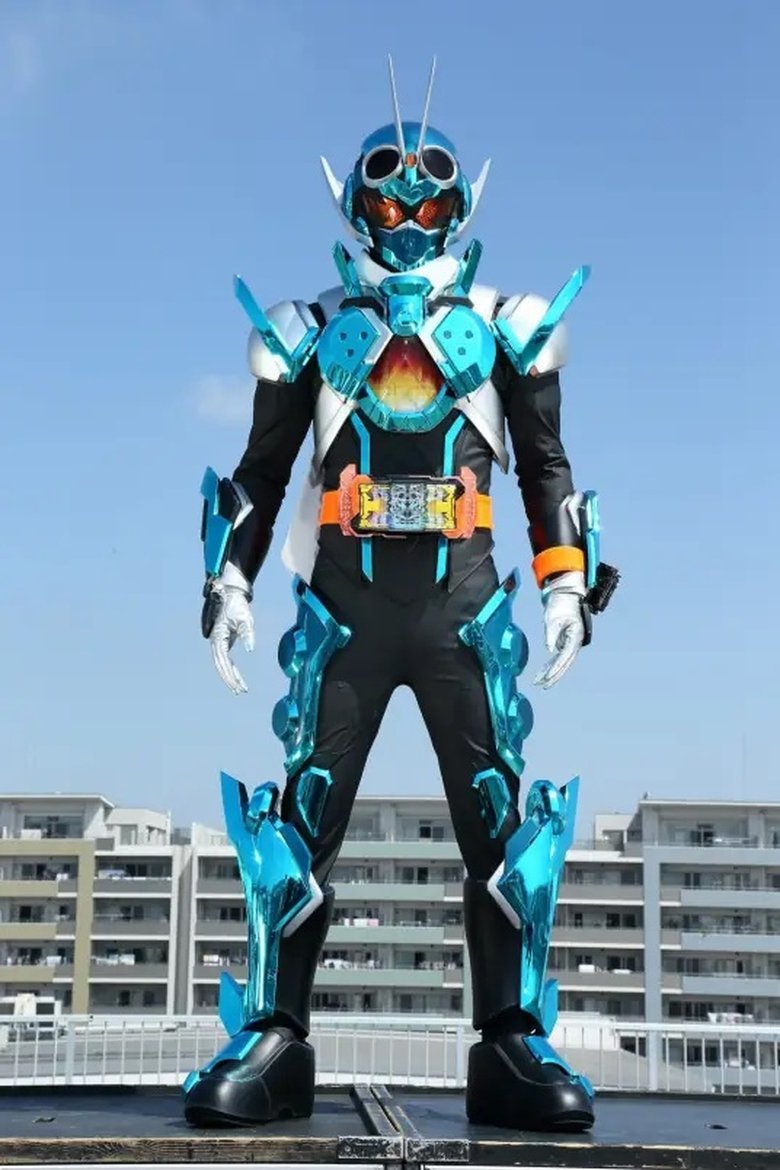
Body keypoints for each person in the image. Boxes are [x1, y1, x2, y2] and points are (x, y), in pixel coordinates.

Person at [184, 59, 618, 1132]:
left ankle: (511, 1038)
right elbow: (262, 469)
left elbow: (547, 466)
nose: (409, 219)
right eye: (390, 202)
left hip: (465, 607)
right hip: (344, 609)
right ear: (357, 205)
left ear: (460, 209)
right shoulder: (306, 327)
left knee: (499, 822)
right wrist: (229, 579)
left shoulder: (508, 323)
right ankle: (276, 1035)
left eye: (428, 203)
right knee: (303, 819)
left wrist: (567, 585)